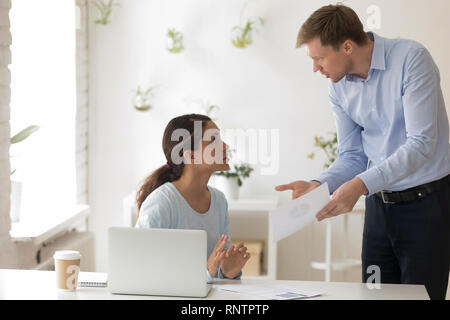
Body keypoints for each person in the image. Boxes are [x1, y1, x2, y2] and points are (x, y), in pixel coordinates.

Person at [275, 4, 450, 300]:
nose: (315, 68)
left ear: (346, 46)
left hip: (427, 206)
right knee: (374, 296)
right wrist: (320, 185)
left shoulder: (411, 59)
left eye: (319, 58)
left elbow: (421, 144)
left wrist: (359, 185)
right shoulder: (338, 87)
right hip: (379, 209)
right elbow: (352, 155)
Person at [135, 113, 250, 283]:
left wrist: (226, 271)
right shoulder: (162, 203)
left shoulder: (219, 201)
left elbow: (214, 273)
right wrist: (206, 272)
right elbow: (139, 268)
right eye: (214, 140)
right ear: (190, 155)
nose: (225, 146)